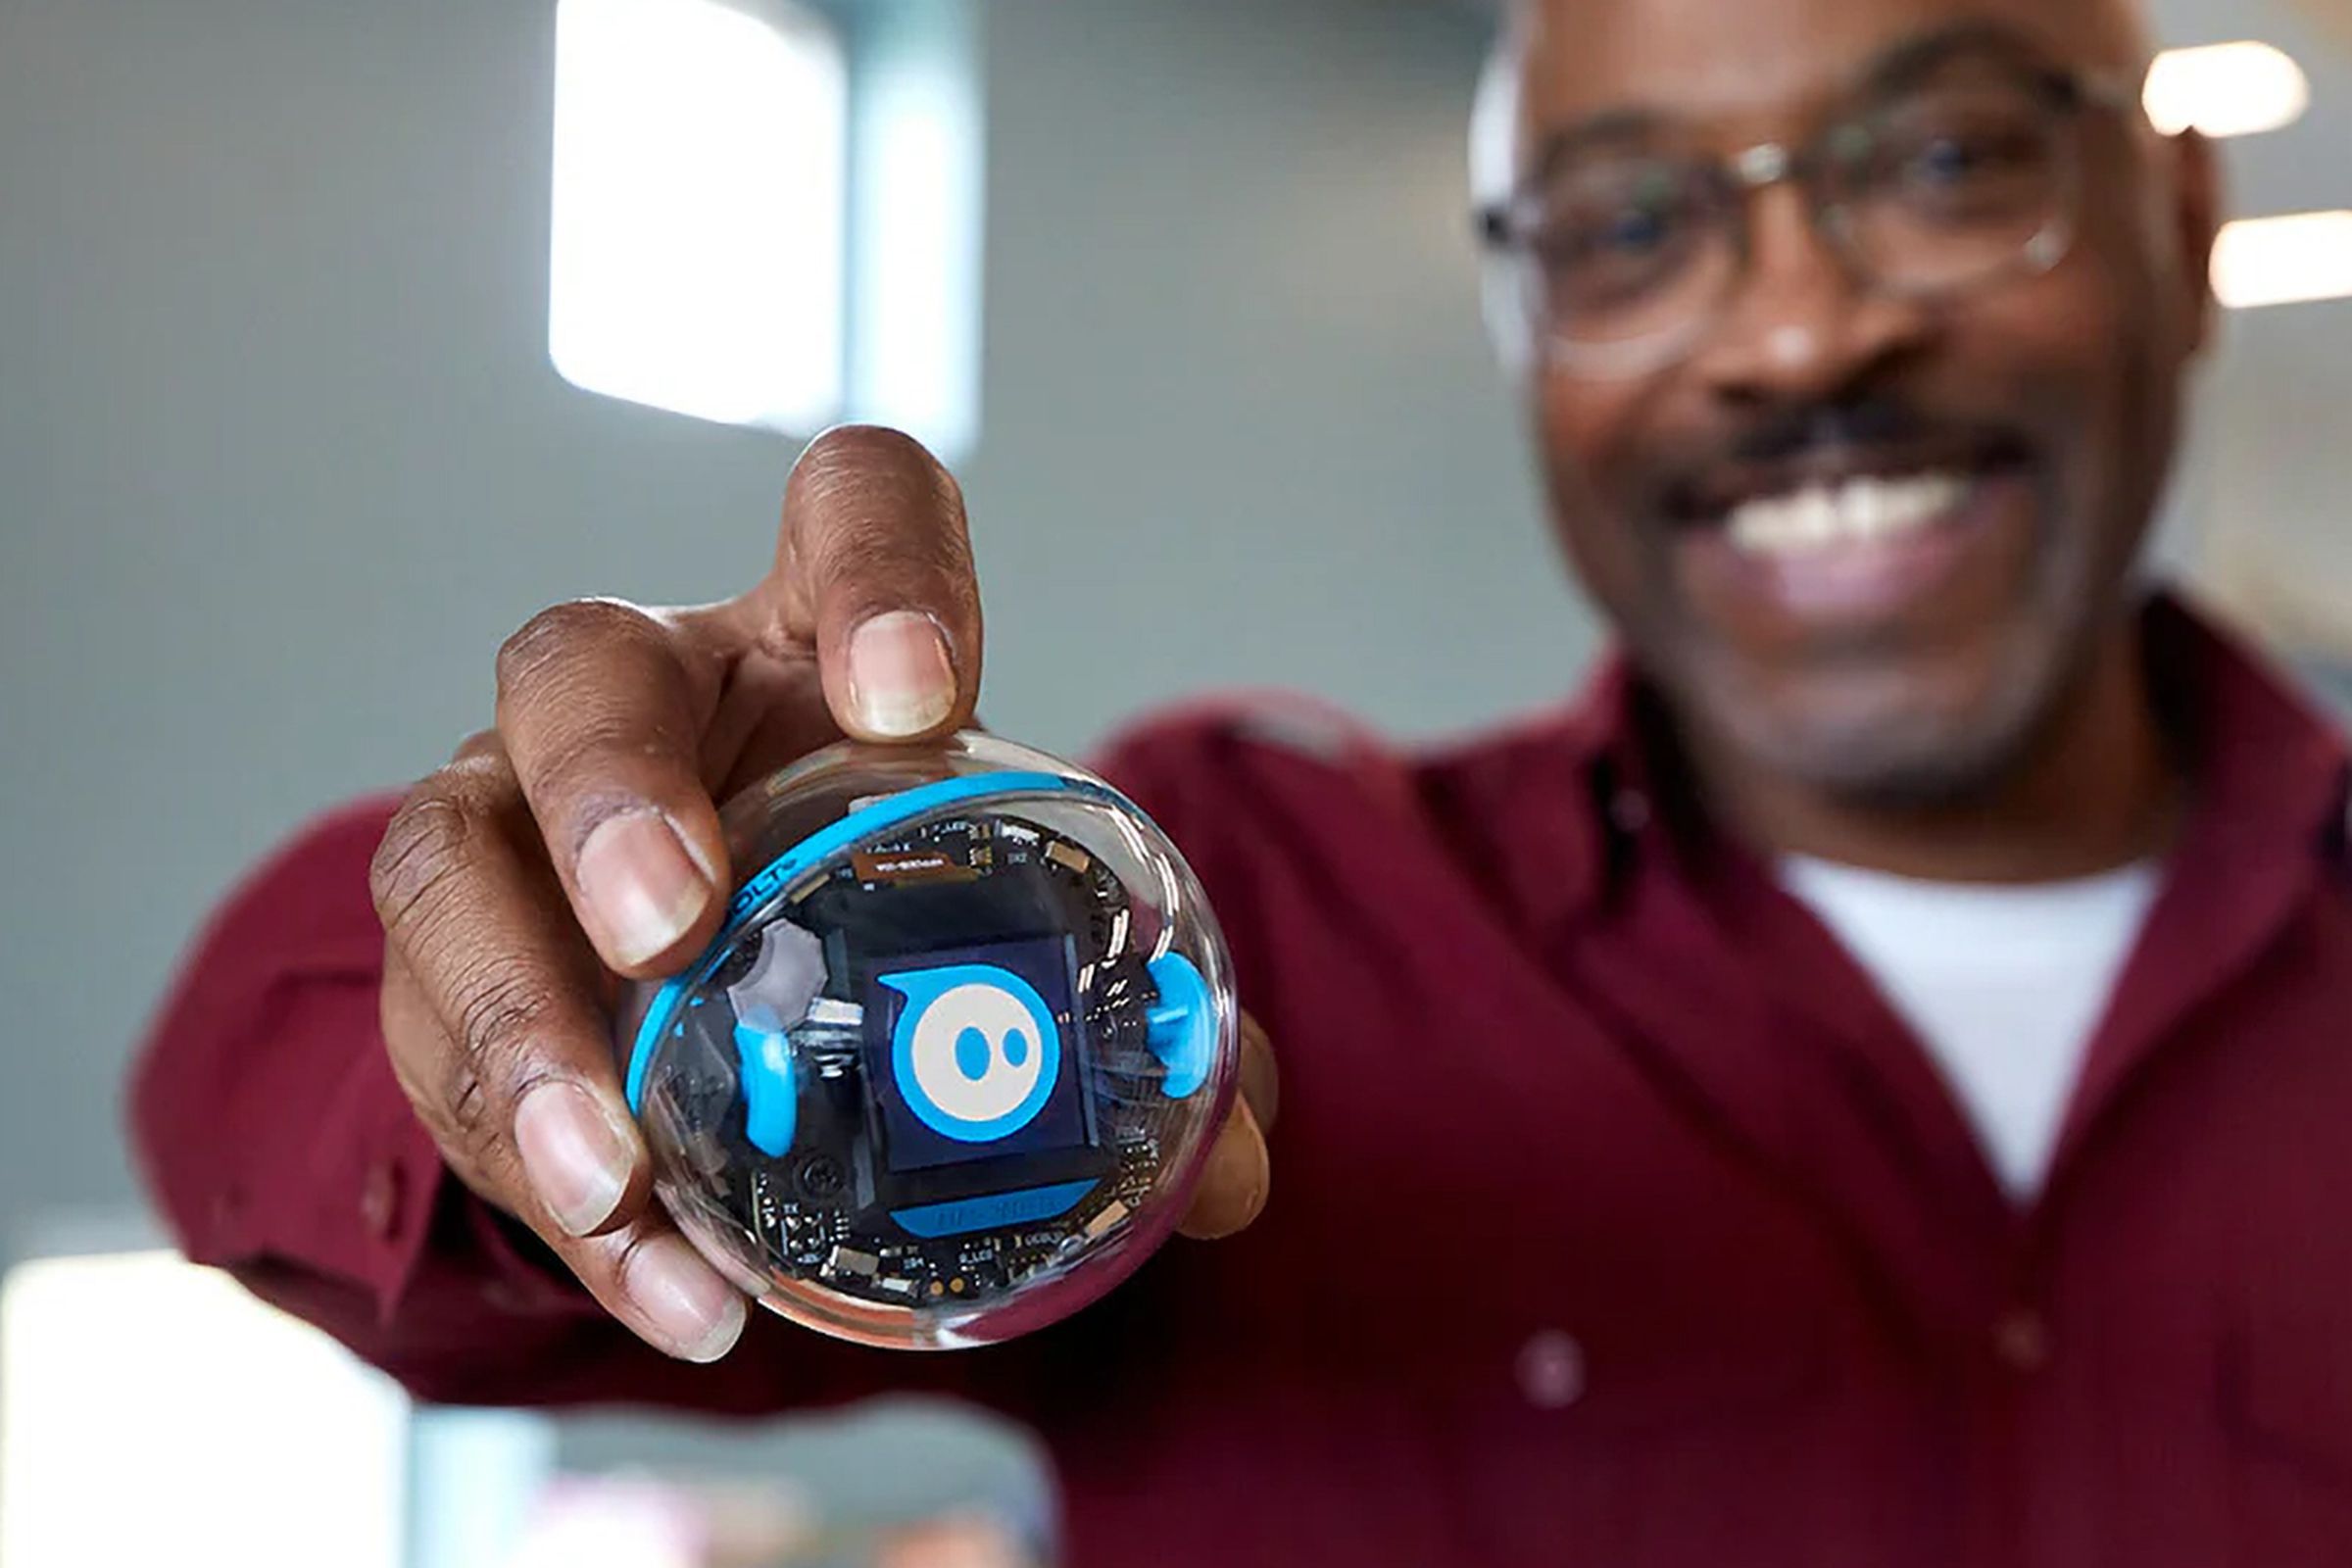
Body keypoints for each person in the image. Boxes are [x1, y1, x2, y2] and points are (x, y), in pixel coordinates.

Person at [127, 0, 2352, 1559]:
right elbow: (245, 1080)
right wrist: (568, 980)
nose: (1796, 331)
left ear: (2178, 223)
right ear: (1534, 337)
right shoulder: (1178, 950)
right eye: (1631, 225)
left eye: (1954, 161)